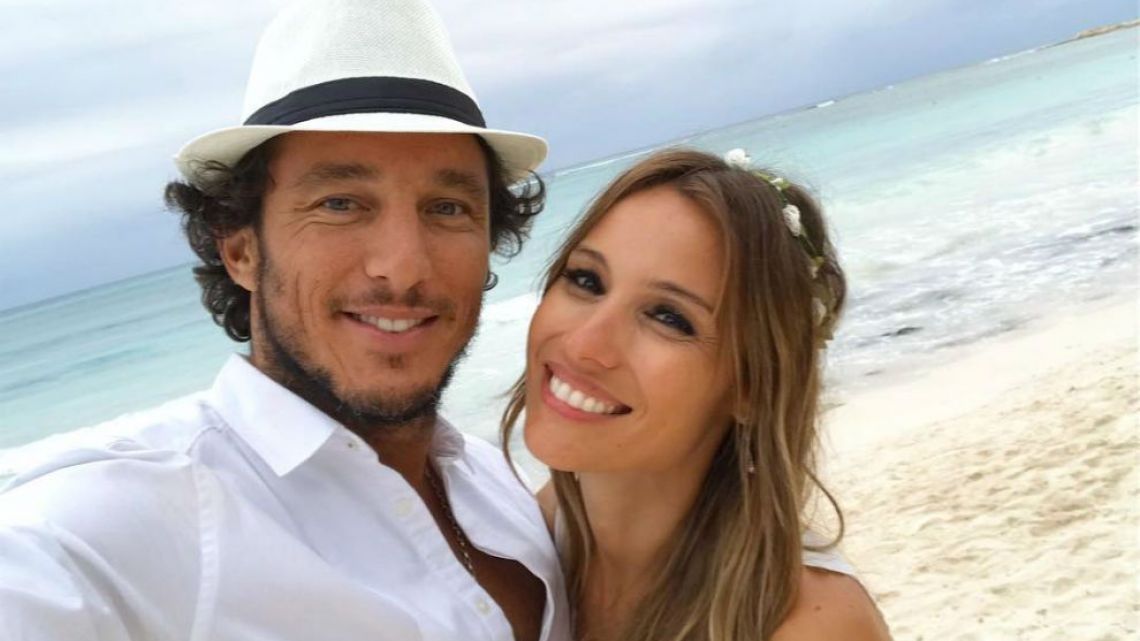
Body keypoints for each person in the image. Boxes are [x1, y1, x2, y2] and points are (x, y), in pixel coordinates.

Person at [0, 1, 569, 640]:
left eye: (447, 207)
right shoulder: (127, 520)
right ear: (241, 249)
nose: (404, 267)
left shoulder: (495, 481)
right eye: (340, 203)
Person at [501, 149, 892, 640]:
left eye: (668, 317)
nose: (584, 345)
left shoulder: (811, 625)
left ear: (752, 386)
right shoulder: (536, 531)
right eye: (586, 281)